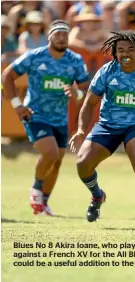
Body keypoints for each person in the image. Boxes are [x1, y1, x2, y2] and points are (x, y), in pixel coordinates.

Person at [69, 31, 135, 230]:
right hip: (107, 126)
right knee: (82, 165)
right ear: (114, 52)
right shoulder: (107, 71)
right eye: (120, 50)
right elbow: (89, 104)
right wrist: (80, 130)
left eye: (130, 49)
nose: (125, 53)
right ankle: (97, 195)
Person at [1, 20, 90, 216]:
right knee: (49, 153)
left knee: (57, 161)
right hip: (35, 114)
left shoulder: (75, 60)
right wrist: (17, 105)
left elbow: (86, 88)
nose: (61, 38)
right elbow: (7, 76)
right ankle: (35, 188)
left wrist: (78, 94)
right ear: (49, 36)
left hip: (60, 118)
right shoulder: (34, 56)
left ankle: (43, 204)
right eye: (57, 34)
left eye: (64, 35)